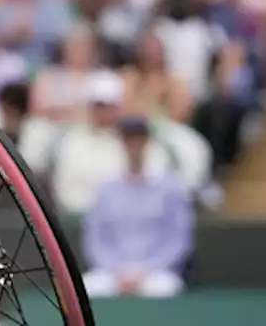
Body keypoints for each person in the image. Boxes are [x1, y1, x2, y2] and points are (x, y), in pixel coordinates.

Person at [81, 115, 193, 298]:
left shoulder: (170, 187)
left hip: (156, 274)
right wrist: (118, 272)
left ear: (147, 142)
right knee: (88, 288)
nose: (133, 145)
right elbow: (95, 240)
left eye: (138, 139)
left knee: (165, 289)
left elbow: (178, 241)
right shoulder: (105, 189)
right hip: (111, 274)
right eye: (128, 139)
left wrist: (145, 271)